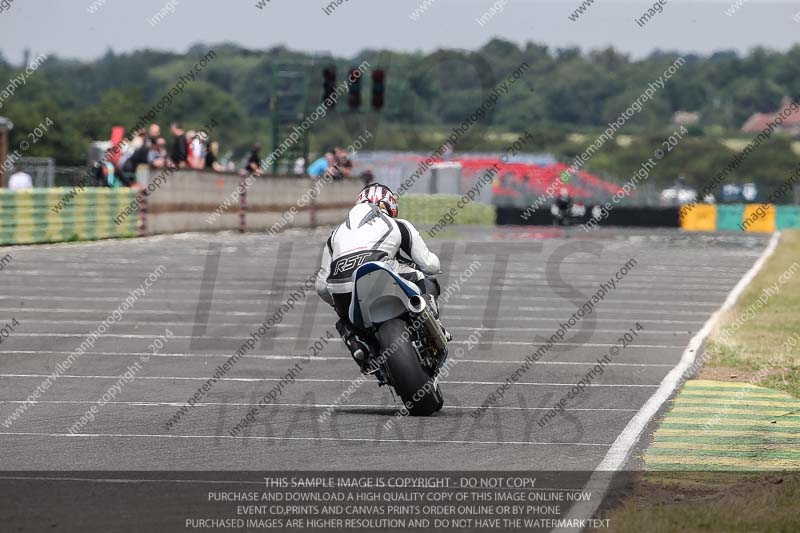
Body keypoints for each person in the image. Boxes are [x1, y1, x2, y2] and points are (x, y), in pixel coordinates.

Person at [315, 183, 450, 373]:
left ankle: (356, 342)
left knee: (344, 318)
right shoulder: (397, 224)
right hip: (379, 272)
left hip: (342, 288)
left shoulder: (335, 234)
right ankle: (434, 326)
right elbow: (430, 265)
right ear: (390, 204)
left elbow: (321, 287)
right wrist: (434, 266)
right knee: (424, 278)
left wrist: (339, 305)